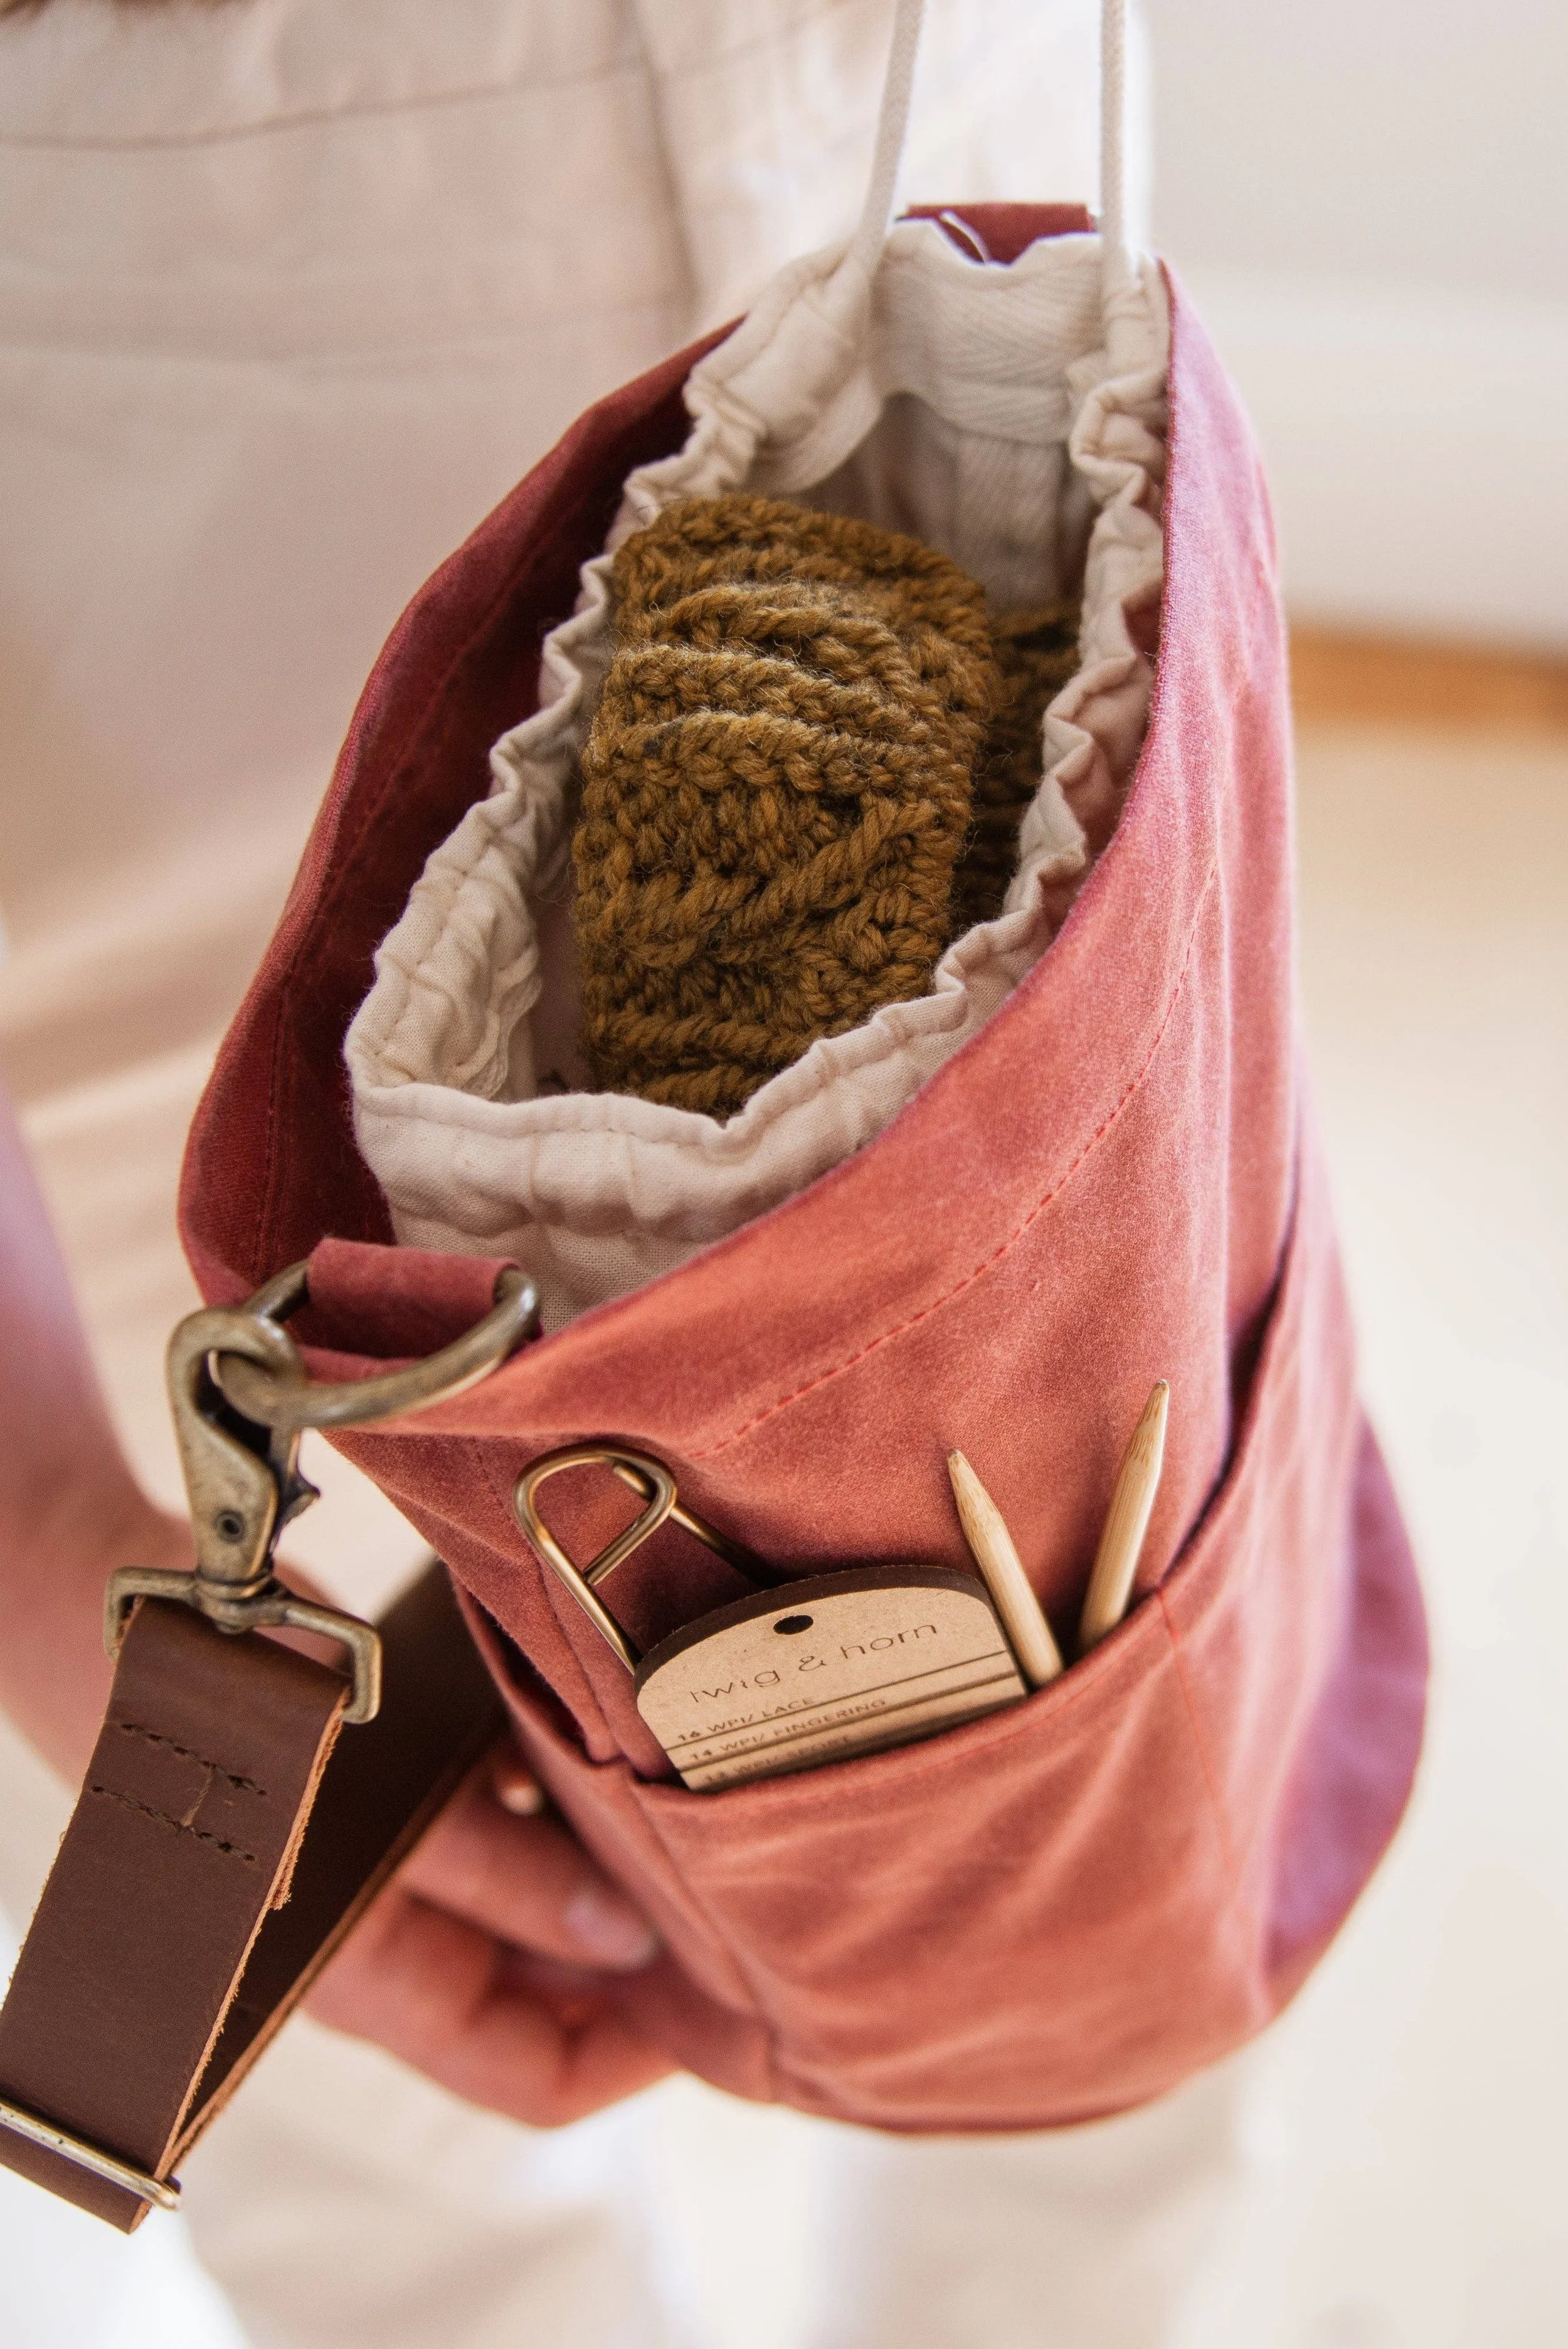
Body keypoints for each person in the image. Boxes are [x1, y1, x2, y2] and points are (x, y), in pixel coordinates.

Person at [0, 4, 1250, 2343]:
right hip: (121, 358)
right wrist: (12, 1495)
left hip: (946, 124)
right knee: (379, 1987)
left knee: (1123, 1813)